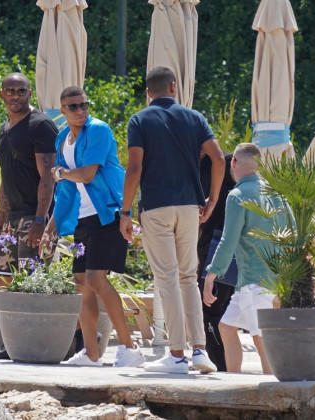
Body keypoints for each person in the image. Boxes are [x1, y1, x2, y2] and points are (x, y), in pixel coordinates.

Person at [120, 66, 224, 374]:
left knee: (166, 278)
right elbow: (219, 158)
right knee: (188, 278)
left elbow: (135, 167)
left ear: (148, 92)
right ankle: (200, 351)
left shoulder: (139, 120)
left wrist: (125, 212)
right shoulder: (194, 117)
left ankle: (177, 355)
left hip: (156, 207)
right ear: (174, 88)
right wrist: (213, 198)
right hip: (191, 207)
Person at [40, 86, 145, 368]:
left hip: (108, 213)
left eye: (84, 105)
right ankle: (91, 354)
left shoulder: (98, 130)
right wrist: (51, 226)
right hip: (83, 219)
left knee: (96, 279)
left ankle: (129, 349)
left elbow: (86, 175)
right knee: (81, 283)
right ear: (62, 110)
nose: (80, 111)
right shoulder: (62, 139)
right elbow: (66, 193)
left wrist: (61, 173)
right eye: (73, 107)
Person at [0, 73, 58, 360]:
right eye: (10, 90)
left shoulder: (40, 126)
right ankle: (12, 344)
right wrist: (0, 223)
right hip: (12, 218)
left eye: (22, 91)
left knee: (32, 279)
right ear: (1, 94)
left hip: (33, 215)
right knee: (2, 276)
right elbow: (5, 178)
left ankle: (38, 344)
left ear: (30, 93)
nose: (16, 95)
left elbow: (48, 179)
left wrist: (40, 221)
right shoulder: (5, 129)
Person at [203, 143, 289, 374]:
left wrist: (212, 273)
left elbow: (228, 240)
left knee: (262, 339)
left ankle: (275, 392)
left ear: (233, 163)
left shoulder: (237, 195)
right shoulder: (276, 193)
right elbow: (293, 233)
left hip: (254, 281)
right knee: (226, 327)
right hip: (267, 279)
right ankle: (234, 381)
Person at [197, 150, 237, 372]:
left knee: (211, 311)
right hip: (212, 247)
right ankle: (225, 365)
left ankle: (222, 366)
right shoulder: (220, 163)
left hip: (219, 247)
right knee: (220, 312)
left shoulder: (225, 162)